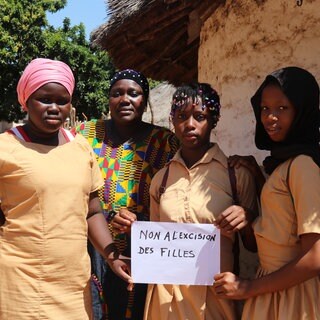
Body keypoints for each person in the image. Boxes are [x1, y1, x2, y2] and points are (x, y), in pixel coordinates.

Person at [0, 58, 129, 320]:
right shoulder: (5, 148)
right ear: (25, 99)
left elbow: (92, 212)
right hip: (19, 282)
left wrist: (112, 255)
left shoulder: (80, 147)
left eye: (62, 101)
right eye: (44, 99)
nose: (54, 108)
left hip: (73, 285)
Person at [142, 83, 258, 320]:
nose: (190, 125)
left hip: (215, 302)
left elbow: (254, 246)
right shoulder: (161, 180)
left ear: (213, 120)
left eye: (200, 117)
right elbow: (154, 244)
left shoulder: (235, 175)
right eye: (182, 116)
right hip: (165, 302)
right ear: (172, 119)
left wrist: (246, 219)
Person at [213, 66, 320, 319]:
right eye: (265, 109)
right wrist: (257, 178)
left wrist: (246, 287)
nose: (271, 117)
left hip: (293, 297)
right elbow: (281, 224)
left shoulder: (303, 166)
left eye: (282, 108)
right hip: (275, 290)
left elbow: (315, 257)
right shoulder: (284, 165)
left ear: (302, 110)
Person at [75, 69, 179, 320]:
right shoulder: (84, 134)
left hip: (142, 243)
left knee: (136, 306)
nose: (125, 99)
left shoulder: (164, 142)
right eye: (117, 93)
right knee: (93, 305)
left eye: (134, 93)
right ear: (109, 99)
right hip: (91, 242)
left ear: (144, 101)